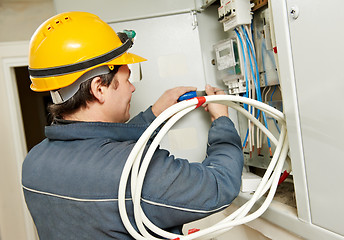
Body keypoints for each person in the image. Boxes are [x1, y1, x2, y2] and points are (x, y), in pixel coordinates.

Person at [22, 12, 244, 239]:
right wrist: (222, 121)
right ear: (99, 88)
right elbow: (218, 185)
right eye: (127, 79)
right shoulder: (136, 170)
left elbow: (97, 150)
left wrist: (155, 114)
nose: (132, 88)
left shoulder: (34, 162)